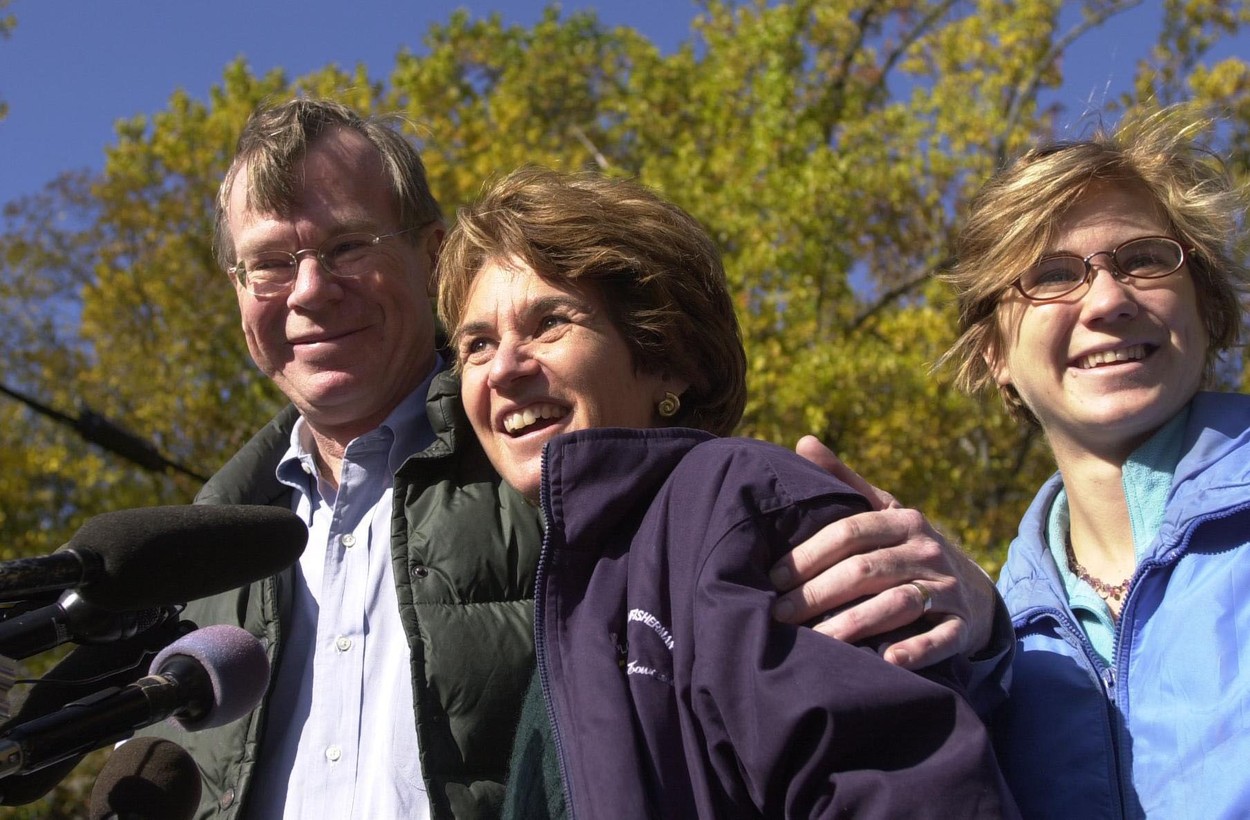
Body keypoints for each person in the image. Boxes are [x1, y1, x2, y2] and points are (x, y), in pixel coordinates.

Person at [136, 97, 1001, 820]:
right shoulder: (197, 559)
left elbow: (896, 759)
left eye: (348, 246)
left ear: (427, 254)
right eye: (270, 263)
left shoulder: (618, 489)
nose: (311, 288)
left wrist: (979, 613)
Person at [435, 165, 1017, 818]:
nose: (505, 369)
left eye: (549, 324)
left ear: (666, 356)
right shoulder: (579, 581)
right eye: (477, 345)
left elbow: (905, 794)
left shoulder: (746, 507)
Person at [937, 106, 1250, 817]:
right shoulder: (991, 650)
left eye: (1143, 259)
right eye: (1051, 275)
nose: (1107, 299)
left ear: (1204, 305)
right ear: (995, 355)